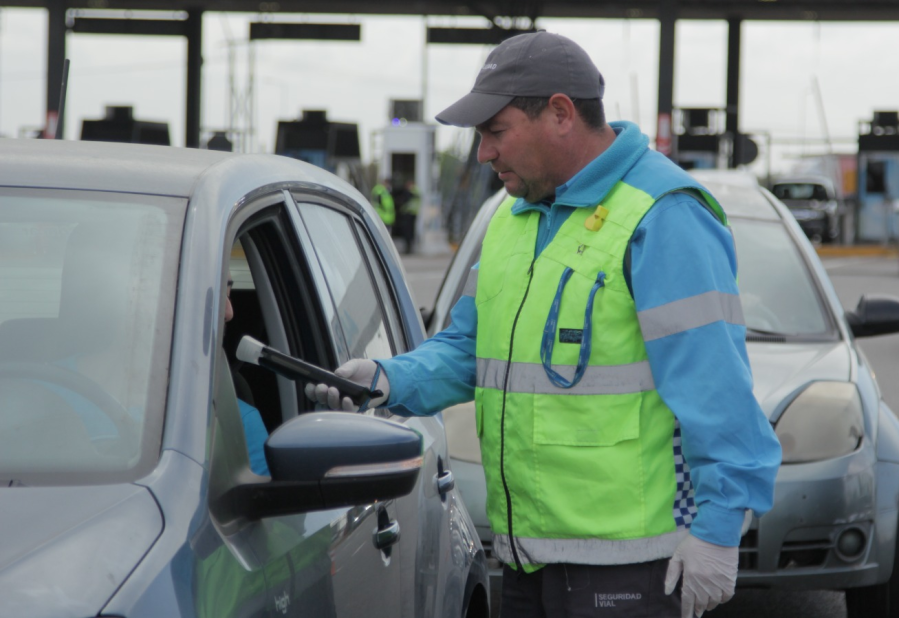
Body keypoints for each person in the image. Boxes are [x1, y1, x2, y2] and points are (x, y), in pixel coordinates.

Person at [307, 31, 780, 618]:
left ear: (560, 113)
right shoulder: (515, 218)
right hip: (527, 558)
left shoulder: (662, 215)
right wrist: (385, 379)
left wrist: (718, 530)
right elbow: (469, 349)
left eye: (495, 132)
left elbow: (717, 392)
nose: (482, 153)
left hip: (629, 568)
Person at [224, 273, 270, 477]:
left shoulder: (236, 422)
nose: (229, 311)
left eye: (227, 292)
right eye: (213, 290)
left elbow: (261, 506)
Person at [394, 180, 421, 254]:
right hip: (412, 214)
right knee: (410, 232)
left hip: (409, 214)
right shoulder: (416, 191)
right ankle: (409, 247)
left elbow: (406, 201)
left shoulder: (412, 192)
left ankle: (409, 248)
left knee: (408, 232)